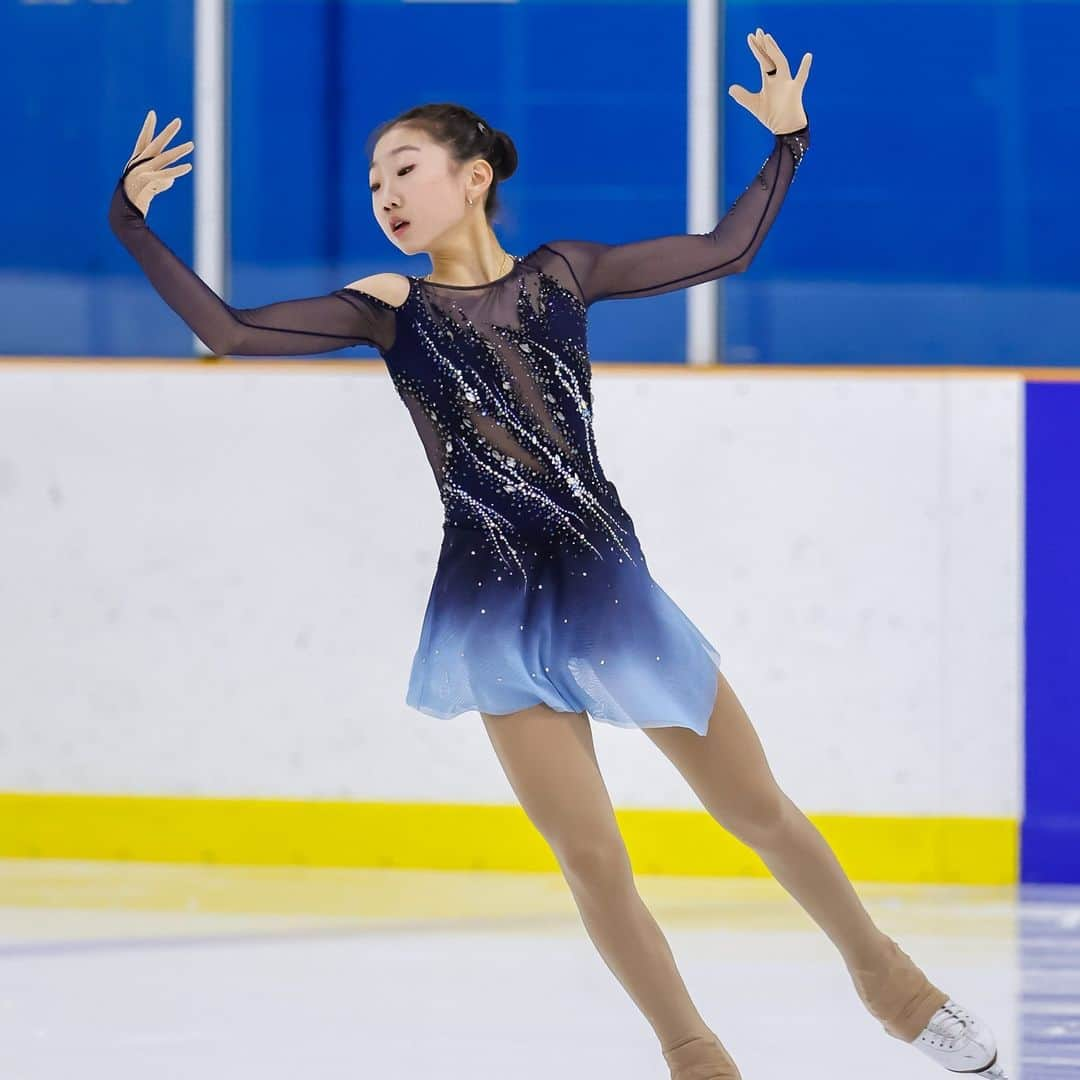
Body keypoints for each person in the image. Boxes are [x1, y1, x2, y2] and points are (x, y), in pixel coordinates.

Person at [108, 27, 1008, 1080]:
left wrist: (788, 143)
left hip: (608, 589)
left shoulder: (560, 275)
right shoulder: (385, 311)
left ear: (473, 176)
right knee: (592, 857)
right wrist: (129, 219)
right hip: (489, 609)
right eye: (370, 182)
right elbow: (231, 331)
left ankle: (893, 987)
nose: (383, 194)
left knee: (753, 806)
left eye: (403, 168)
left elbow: (723, 249)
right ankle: (695, 1057)